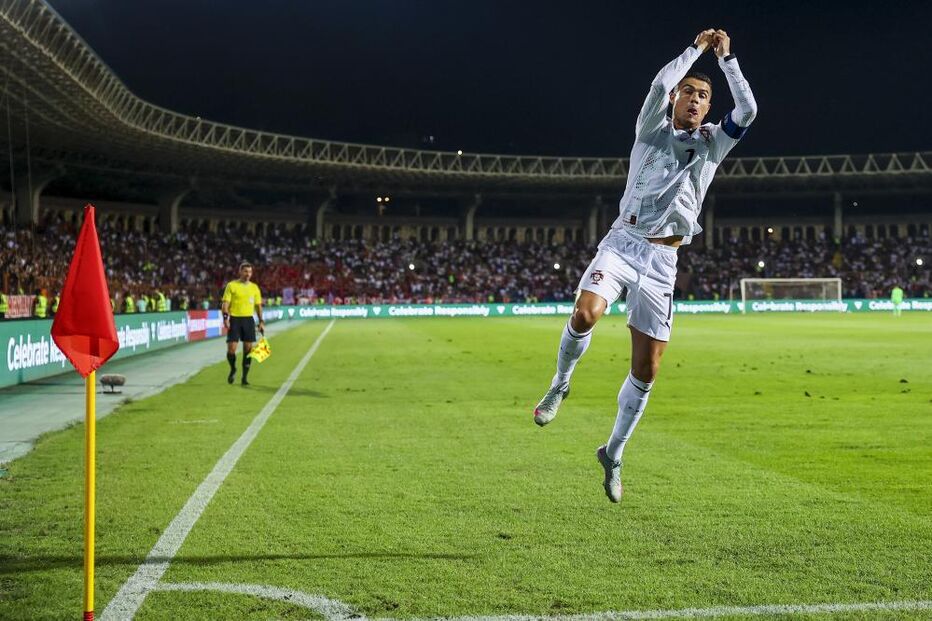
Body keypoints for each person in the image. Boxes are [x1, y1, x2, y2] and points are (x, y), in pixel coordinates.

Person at [532, 29, 757, 503]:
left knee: (648, 367)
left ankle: (613, 453)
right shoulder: (650, 129)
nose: (696, 100)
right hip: (623, 243)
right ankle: (559, 384)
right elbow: (658, 85)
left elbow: (748, 112)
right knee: (585, 312)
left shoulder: (714, 142)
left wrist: (727, 59)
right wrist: (696, 51)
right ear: (675, 98)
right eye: (689, 92)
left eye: (703, 95)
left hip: (662, 260)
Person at [222, 262, 265, 386]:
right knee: (231, 349)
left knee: (248, 349)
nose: (248, 274)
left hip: (248, 320)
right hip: (235, 319)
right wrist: (226, 318)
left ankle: (244, 377)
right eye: (245, 271)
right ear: (240, 272)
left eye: (250, 272)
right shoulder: (232, 285)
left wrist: (261, 321)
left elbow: (258, 306)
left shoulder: (254, 288)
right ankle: (233, 369)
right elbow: (225, 303)